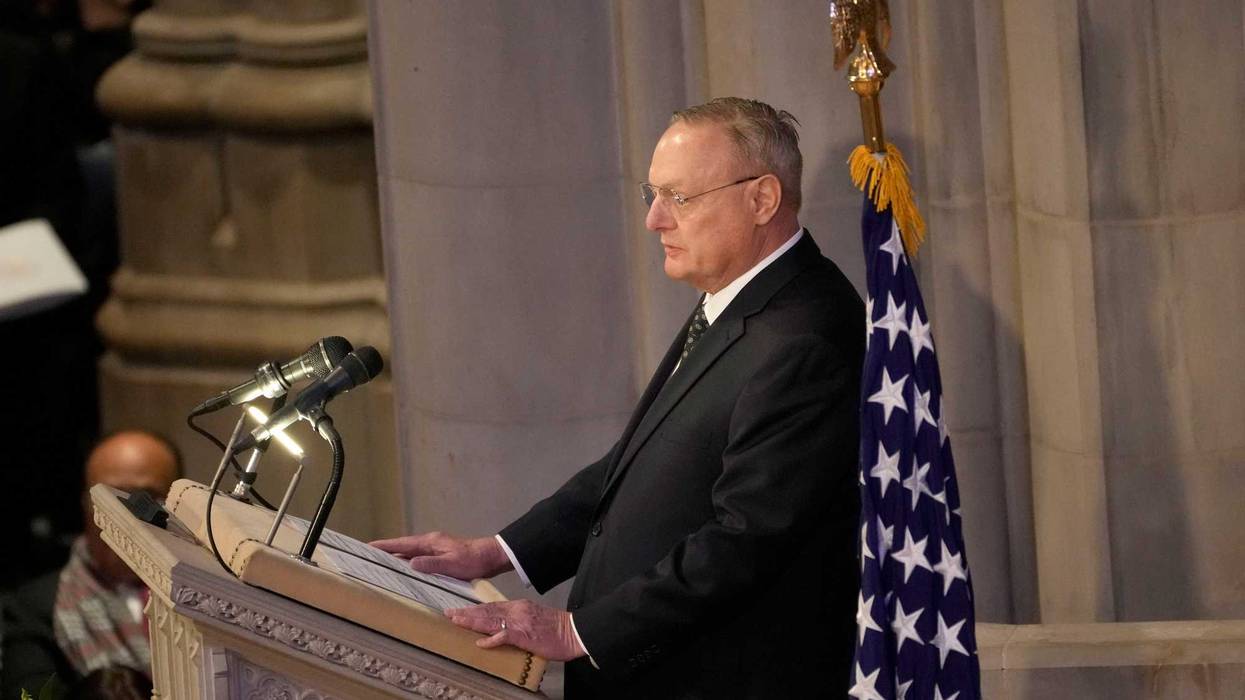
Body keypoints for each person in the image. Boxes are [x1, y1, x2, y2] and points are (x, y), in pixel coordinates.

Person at [373, 97, 864, 698]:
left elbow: (747, 538)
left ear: (761, 199)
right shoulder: (741, 299)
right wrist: (498, 552)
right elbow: (637, 465)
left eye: (680, 198)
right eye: (652, 195)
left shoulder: (805, 334)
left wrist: (579, 631)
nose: (656, 219)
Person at [1, 430, 182, 697]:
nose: (127, 515)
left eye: (147, 498)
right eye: (110, 498)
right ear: (86, 503)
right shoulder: (33, 608)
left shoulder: (209, 598)